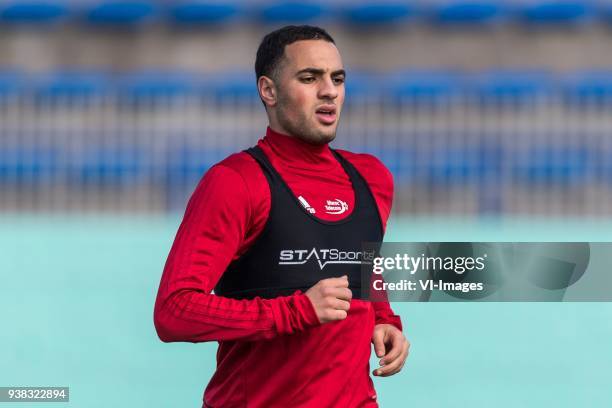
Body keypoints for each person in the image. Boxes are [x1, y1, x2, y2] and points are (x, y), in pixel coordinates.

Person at [154, 25, 409, 407]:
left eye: (337, 79)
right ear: (268, 91)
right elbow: (174, 312)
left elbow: (362, 264)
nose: (329, 91)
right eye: (310, 78)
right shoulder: (236, 182)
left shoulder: (372, 178)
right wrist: (296, 311)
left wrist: (383, 318)